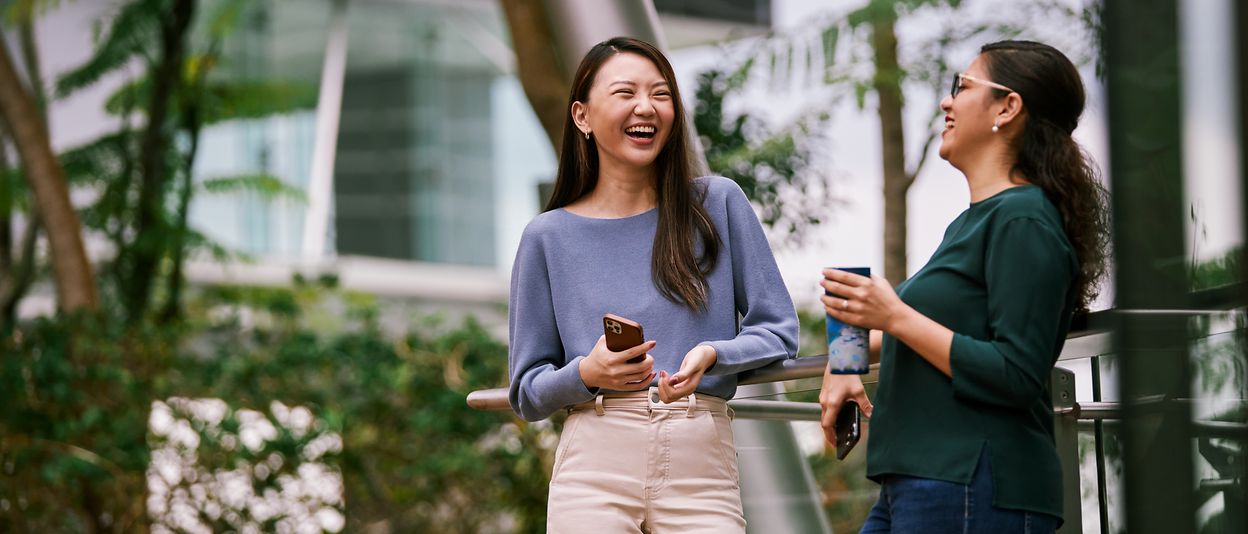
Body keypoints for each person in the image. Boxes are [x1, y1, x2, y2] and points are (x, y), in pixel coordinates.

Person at [507, 36, 798, 533]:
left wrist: (713, 353)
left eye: (661, 94)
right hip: (593, 464)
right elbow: (527, 390)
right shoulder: (547, 237)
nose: (646, 107)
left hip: (699, 458)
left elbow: (779, 331)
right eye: (625, 93)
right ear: (582, 116)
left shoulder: (717, 204)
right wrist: (588, 371)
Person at [818, 40, 1109, 533]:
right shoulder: (972, 224)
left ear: (1007, 107)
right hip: (919, 483)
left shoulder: (1023, 219)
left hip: (974, 484)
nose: (945, 102)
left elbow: (1017, 371)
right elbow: (926, 335)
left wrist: (895, 315)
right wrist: (842, 357)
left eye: (963, 87)